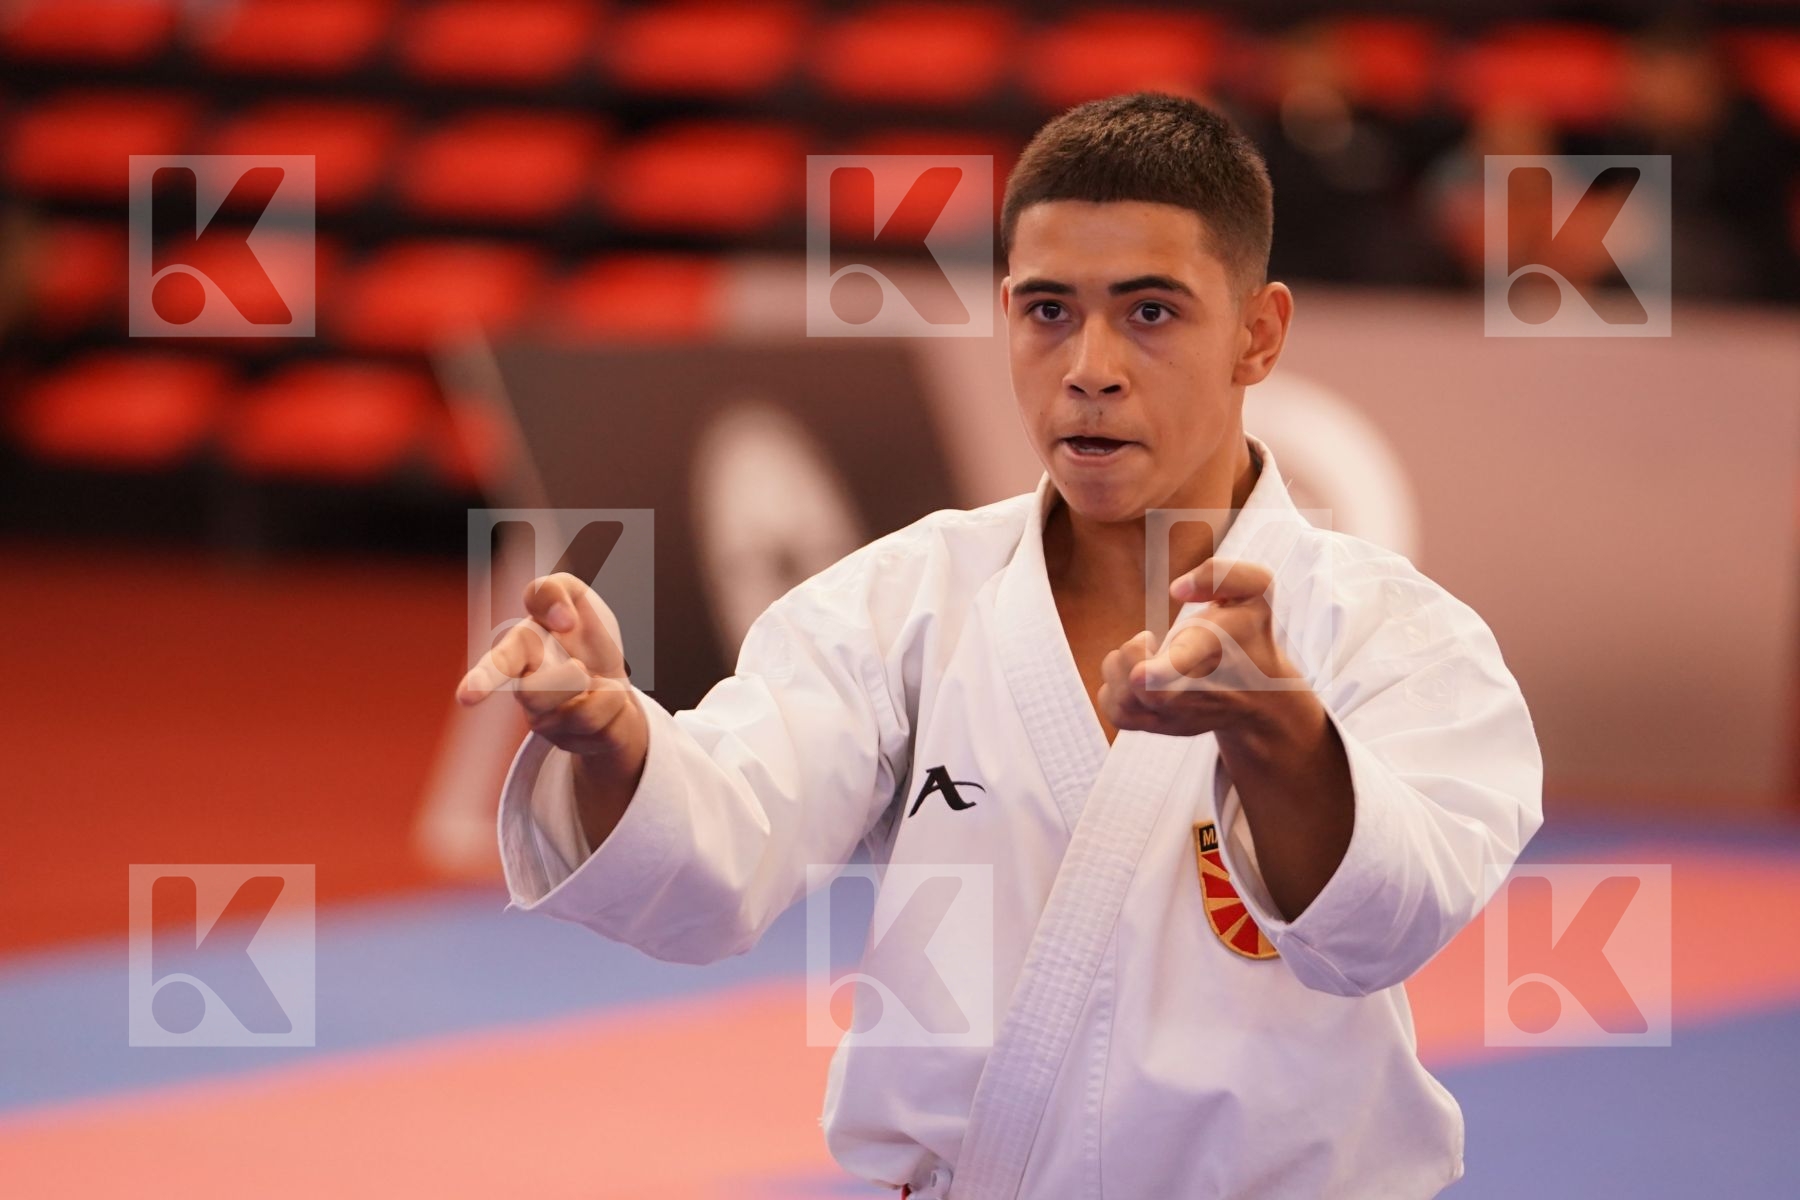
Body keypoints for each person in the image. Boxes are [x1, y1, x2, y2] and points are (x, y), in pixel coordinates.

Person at [457, 92, 1544, 1200]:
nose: (1091, 366)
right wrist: (614, 741)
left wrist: (1282, 734)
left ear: (1258, 334)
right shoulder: (905, 602)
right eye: (1048, 311)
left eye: (1153, 312)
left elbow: (1385, 926)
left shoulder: (1398, 636)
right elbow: (719, 858)